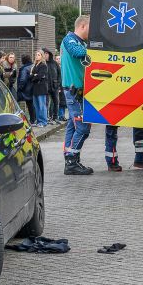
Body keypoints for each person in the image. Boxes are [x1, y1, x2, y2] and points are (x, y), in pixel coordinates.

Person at [61, 15, 94, 176]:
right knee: (82, 127)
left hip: (79, 90)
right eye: (90, 27)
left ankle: (70, 159)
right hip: (73, 90)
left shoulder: (80, 42)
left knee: (72, 125)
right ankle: (72, 160)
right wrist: (94, 49)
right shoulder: (69, 40)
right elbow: (76, 53)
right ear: (82, 25)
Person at [30, 50, 49, 127]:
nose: (37, 56)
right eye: (36, 55)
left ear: (42, 56)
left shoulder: (43, 65)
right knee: (36, 106)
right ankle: (38, 121)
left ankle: (43, 122)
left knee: (42, 106)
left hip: (41, 88)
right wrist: (34, 75)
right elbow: (30, 76)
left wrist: (35, 76)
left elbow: (40, 76)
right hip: (35, 88)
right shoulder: (34, 65)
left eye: (39, 55)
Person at [43, 48, 61, 124]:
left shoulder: (54, 63)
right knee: (46, 103)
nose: (46, 55)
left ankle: (55, 117)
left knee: (56, 102)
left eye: (47, 53)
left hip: (55, 86)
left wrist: (58, 84)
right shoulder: (43, 64)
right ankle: (47, 117)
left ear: (49, 54)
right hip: (46, 86)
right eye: (44, 54)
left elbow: (59, 74)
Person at [17, 54, 35, 123]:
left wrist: (20, 88)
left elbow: (23, 80)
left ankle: (32, 120)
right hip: (33, 88)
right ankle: (34, 119)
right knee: (33, 105)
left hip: (27, 89)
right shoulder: (33, 66)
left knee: (29, 105)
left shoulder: (25, 68)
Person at [54, 55, 67, 121]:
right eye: (57, 59)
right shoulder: (55, 68)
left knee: (63, 102)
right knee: (60, 102)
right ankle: (60, 116)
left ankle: (63, 115)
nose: (58, 60)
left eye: (59, 59)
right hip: (58, 87)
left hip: (63, 86)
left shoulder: (63, 67)